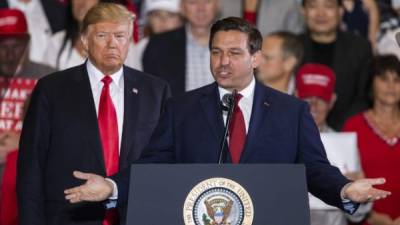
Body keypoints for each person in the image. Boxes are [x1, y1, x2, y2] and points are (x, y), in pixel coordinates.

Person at [64, 17, 390, 218]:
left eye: (235, 53)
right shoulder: (182, 109)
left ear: (256, 58)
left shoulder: (292, 112)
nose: (223, 62)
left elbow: (315, 170)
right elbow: (151, 168)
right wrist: (111, 186)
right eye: (216, 52)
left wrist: (345, 190)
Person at [17, 3, 170, 225]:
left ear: (129, 41)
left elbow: (163, 158)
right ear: (85, 41)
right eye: (102, 35)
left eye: (120, 36)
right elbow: (31, 167)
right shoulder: (52, 90)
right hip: (69, 217)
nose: (112, 44)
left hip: (136, 215)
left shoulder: (155, 91)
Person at [296, 63, 372, 225]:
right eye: (307, 98)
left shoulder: (344, 145)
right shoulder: (280, 141)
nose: (313, 106)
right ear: (295, 97)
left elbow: (357, 215)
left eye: (321, 99)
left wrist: (361, 194)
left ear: (332, 101)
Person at [342, 54, 400, 225]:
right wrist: (370, 217)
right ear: (371, 83)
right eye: (383, 79)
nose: (391, 86)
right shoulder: (353, 126)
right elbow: (344, 182)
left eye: (397, 80)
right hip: (365, 220)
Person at [299, 0, 373, 130]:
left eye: (328, 6)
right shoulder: (293, 47)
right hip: (297, 128)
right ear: (303, 11)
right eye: (313, 6)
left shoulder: (360, 48)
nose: (320, 14)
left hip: (345, 132)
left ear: (340, 11)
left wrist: (337, 130)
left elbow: (364, 98)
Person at [142, 0, 219, 96]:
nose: (201, 9)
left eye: (207, 1)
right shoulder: (158, 46)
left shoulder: (236, 43)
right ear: (182, 7)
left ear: (217, 5)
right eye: (192, 2)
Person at [129, 0, 183, 71]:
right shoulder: (139, 50)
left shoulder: (192, 47)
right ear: (149, 19)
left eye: (171, 15)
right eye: (156, 15)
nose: (163, 21)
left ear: (181, 20)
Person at [218, 0, 304, 36]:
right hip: (231, 64)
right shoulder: (223, 2)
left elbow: (295, 42)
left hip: (271, 67)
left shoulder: (288, 4)